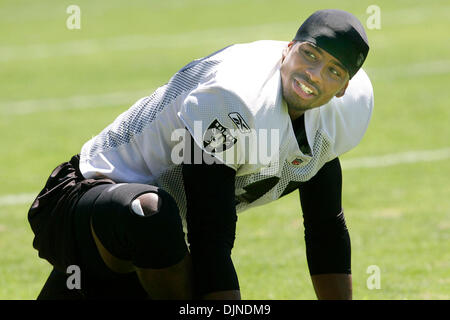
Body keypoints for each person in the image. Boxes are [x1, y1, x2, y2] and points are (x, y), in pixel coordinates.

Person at [28, 9, 373, 300]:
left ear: (345, 87)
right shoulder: (237, 95)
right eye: (310, 54)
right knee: (149, 214)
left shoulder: (339, 117)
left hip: (159, 256)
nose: (313, 75)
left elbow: (325, 225)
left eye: (333, 70)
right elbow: (210, 237)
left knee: (156, 228)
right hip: (84, 201)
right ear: (288, 49)